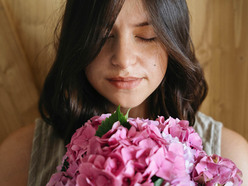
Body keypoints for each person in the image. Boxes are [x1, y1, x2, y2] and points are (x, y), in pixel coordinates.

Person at [0, 0, 248, 185]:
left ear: (173, 43)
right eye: (102, 35)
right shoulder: (19, 159)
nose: (123, 59)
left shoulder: (228, 157)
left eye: (146, 36)